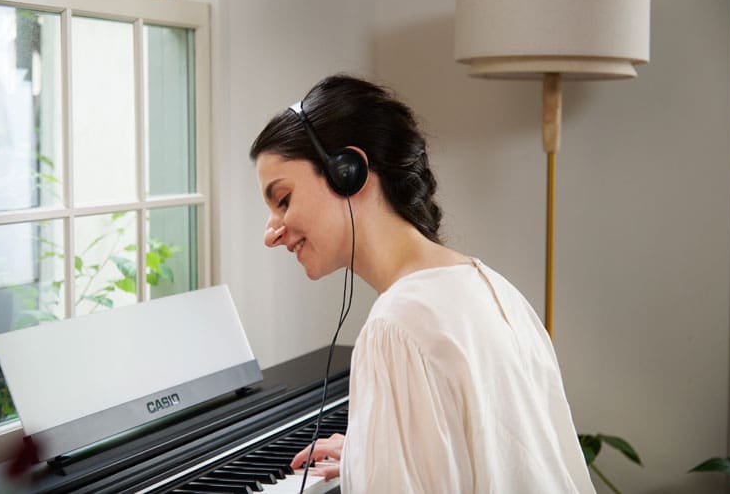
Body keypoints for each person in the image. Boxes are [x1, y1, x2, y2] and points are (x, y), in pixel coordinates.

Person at [250, 74, 595, 493]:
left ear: (349, 173)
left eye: (283, 199)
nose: (271, 233)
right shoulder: (490, 286)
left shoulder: (397, 325)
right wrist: (371, 453)